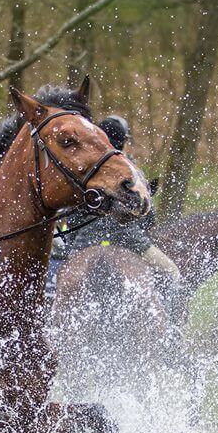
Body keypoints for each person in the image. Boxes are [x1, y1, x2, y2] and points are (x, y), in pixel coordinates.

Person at [51, 115, 181, 301]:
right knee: (172, 272)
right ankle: (172, 325)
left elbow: (70, 214)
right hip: (131, 241)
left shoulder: (84, 169)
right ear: (124, 142)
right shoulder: (131, 171)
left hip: (82, 244)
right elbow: (147, 216)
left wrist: (72, 241)